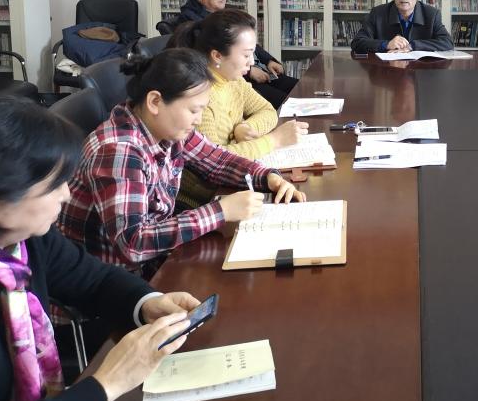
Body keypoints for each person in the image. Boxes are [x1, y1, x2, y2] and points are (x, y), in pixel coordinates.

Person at [0, 96, 199, 401]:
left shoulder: (23, 241)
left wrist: (148, 303)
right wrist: (107, 384)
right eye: (55, 185)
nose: (66, 194)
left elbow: (95, 280)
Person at [59, 48, 305, 277]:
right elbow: (134, 243)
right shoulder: (119, 152)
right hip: (114, 283)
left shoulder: (166, 127)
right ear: (155, 102)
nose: (198, 120)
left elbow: (217, 159)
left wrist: (267, 177)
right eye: (194, 110)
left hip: (151, 264)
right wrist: (221, 211)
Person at [169, 9, 309, 209]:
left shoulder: (234, 80)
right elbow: (213, 162)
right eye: (246, 55)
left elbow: (267, 111)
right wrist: (273, 140)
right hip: (202, 201)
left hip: (233, 186)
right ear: (217, 55)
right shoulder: (198, 98)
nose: (252, 62)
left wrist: (244, 127)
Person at [177, 0, 297, 108]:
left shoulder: (226, 13)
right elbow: (211, 60)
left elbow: (248, 44)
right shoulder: (193, 23)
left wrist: (268, 60)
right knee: (287, 104)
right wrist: (249, 71)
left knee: (301, 88)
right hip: (239, 79)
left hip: (258, 70)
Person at [350, 0, 453, 54]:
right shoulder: (378, 13)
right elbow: (357, 42)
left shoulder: (431, 14)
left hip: (420, 70)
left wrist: (412, 46)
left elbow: (447, 42)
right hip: (386, 69)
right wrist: (386, 44)